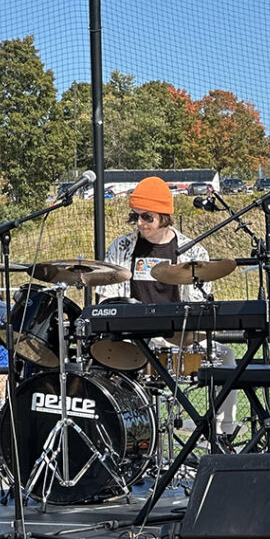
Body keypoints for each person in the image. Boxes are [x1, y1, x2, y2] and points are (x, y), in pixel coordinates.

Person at [98, 176, 239, 443]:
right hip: (133, 342)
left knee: (226, 356)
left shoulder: (192, 252)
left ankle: (223, 435)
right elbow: (108, 300)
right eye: (135, 216)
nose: (140, 223)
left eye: (147, 217)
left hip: (176, 342)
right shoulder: (122, 247)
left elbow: (199, 305)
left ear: (164, 215)